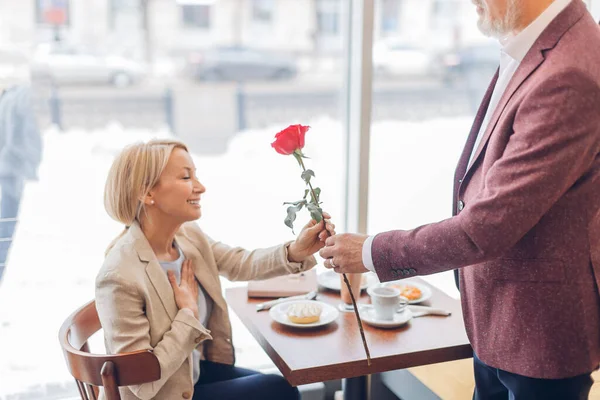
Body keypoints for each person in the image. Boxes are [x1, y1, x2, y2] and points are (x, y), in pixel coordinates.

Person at [320, 0, 600, 399]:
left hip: (541, 333)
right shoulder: (535, 46)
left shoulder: (570, 70)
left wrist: (369, 252)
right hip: (503, 317)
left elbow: (486, 227)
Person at [96, 139, 335, 400]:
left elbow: (239, 263)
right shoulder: (119, 276)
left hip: (189, 373)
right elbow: (142, 383)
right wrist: (187, 315)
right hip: (160, 394)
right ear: (147, 193)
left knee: (282, 386)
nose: (200, 187)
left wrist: (296, 251)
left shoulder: (187, 237)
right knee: (278, 392)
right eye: (186, 177)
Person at [0, 84, 42, 281]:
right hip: (11, 170)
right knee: (7, 225)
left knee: (7, 223)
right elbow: (17, 136)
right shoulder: (19, 98)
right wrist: (27, 163)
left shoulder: (10, 100)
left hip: (8, 168)